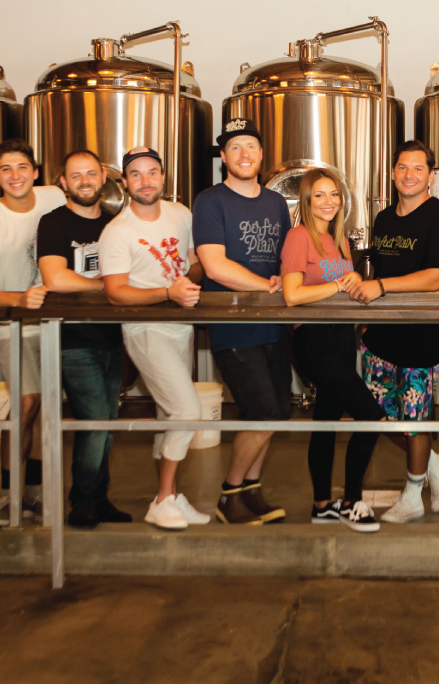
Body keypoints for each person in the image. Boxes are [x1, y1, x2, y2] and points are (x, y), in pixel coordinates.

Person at [349, 140, 439, 525]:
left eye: (417, 168)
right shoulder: (383, 219)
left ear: (431, 175)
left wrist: (382, 287)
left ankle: (413, 493)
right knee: (379, 417)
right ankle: (433, 461)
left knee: (414, 420)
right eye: (402, 167)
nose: (408, 175)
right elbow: (376, 271)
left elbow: (434, 278)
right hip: (381, 337)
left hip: (420, 339)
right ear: (393, 173)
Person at [99, 146, 210, 530]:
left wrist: (190, 281)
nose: (145, 180)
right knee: (187, 411)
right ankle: (162, 499)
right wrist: (167, 293)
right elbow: (114, 291)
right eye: (136, 174)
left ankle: (173, 497)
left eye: (152, 172)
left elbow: (196, 262)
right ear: (125, 182)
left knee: (169, 415)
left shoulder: (181, 214)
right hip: (146, 329)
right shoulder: (117, 231)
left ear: (163, 176)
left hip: (182, 325)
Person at [194, 119, 292, 525]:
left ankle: (252, 491)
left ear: (261, 154)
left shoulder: (275, 203)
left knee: (276, 413)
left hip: (276, 325)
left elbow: (287, 261)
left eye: (250, 146)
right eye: (235, 147)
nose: (244, 154)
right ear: (223, 157)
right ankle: (229, 495)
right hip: (235, 324)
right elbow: (214, 265)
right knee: (262, 411)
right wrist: (269, 288)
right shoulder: (210, 201)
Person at [0, 138, 64, 529]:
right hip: (14, 327)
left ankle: (34, 495)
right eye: (6, 169)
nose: (15, 175)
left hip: (54, 325)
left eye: (22, 167)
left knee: (44, 408)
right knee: (25, 404)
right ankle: (6, 498)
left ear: (35, 172)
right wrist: (18, 299)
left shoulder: (53, 197)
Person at [281, 168, 383, 533]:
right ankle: (353, 501)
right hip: (315, 340)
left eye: (334, 195)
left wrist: (354, 279)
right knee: (372, 415)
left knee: (324, 422)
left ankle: (322, 504)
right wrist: (339, 286)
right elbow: (292, 296)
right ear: (307, 201)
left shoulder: (339, 239)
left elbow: (343, 284)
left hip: (341, 339)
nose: (328, 202)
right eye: (319, 195)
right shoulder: (299, 236)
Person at [37, 150, 132, 529]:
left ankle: (98, 497)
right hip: (73, 338)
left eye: (91, 174)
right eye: (75, 175)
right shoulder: (54, 223)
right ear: (63, 183)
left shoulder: (117, 224)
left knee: (106, 421)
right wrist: (107, 286)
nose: (84, 181)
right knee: (94, 420)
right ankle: (82, 503)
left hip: (113, 337)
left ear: (103, 179)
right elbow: (55, 278)